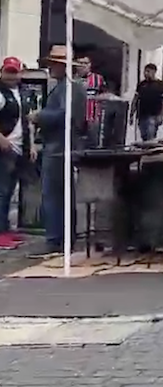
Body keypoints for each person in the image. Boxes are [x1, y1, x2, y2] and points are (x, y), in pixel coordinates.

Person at [28, 45, 87, 257]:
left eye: (54, 64)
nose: (50, 67)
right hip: (58, 144)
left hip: (60, 146)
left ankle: (56, 239)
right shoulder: (65, 86)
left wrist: (40, 116)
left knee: (54, 194)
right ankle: (61, 237)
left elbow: (66, 115)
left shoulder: (71, 87)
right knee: (59, 195)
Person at [0, 57, 35, 248]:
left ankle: (5, 229)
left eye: (14, 72)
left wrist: (31, 144)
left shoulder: (22, 93)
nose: (11, 76)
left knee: (10, 191)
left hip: (19, 147)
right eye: (8, 72)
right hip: (5, 147)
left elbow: (26, 120)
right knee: (2, 191)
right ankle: (0, 231)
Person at [130, 63, 163, 142]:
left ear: (154, 72)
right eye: (145, 71)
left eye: (148, 71)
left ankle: (149, 150)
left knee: (150, 136)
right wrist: (132, 113)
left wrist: (161, 115)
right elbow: (136, 98)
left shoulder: (160, 85)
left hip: (154, 115)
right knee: (143, 135)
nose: (146, 73)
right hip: (142, 115)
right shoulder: (141, 84)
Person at [76, 56, 104, 126]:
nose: (83, 66)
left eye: (85, 63)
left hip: (93, 119)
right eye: (80, 63)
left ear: (90, 64)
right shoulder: (72, 80)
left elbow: (105, 95)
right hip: (76, 119)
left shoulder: (98, 78)